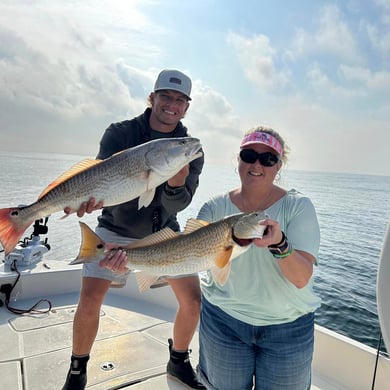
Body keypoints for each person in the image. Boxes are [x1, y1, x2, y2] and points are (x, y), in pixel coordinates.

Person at [62, 69, 206, 390]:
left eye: (180, 100)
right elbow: (97, 179)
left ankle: (178, 360)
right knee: (89, 302)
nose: (172, 104)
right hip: (114, 229)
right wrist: (89, 200)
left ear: (186, 107)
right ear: (152, 98)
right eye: (166, 96)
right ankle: (77, 370)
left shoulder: (189, 149)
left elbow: (177, 206)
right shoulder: (120, 133)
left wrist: (176, 182)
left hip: (164, 233)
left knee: (194, 301)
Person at [196, 126, 321, 389]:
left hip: (287, 329)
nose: (257, 164)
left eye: (268, 159)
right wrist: (130, 255)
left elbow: (301, 278)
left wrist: (279, 243)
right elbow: (188, 252)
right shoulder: (214, 206)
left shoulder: (298, 206)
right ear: (239, 160)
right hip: (222, 321)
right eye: (249, 155)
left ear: (279, 166)